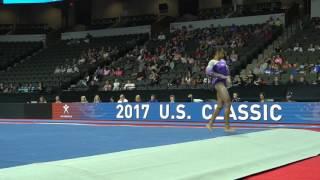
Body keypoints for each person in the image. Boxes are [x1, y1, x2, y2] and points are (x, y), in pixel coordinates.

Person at [206, 49, 234, 132]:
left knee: (220, 106)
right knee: (228, 102)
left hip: (224, 83)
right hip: (218, 83)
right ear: (217, 53)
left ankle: (210, 124)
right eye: (222, 53)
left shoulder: (223, 61)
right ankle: (227, 127)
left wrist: (228, 79)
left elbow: (227, 72)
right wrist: (222, 76)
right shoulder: (212, 62)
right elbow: (208, 72)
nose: (223, 54)